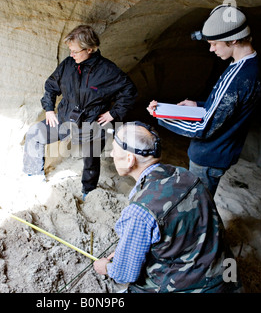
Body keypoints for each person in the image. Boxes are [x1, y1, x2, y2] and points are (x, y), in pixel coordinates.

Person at [93, 122, 240, 293]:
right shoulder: (185, 174)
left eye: (114, 150)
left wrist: (107, 267)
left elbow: (125, 274)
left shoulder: (140, 211)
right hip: (225, 274)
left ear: (129, 159)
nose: (111, 154)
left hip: (191, 287)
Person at [147, 4, 261, 197]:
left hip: (209, 156)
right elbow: (225, 108)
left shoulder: (240, 78)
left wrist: (161, 115)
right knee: (202, 204)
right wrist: (199, 105)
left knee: (200, 208)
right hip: (219, 152)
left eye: (214, 43)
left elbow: (204, 128)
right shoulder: (247, 64)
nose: (211, 49)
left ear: (233, 40)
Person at [23, 25, 137, 200]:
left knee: (91, 159)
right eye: (70, 50)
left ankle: (88, 191)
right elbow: (51, 86)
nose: (71, 55)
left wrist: (113, 113)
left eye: (75, 51)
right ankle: (34, 177)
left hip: (91, 122)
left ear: (90, 49)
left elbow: (129, 90)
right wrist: (49, 109)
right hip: (65, 118)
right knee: (34, 134)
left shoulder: (108, 70)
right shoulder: (68, 65)